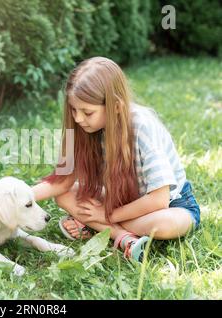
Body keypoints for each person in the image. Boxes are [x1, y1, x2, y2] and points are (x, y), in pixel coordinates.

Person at [31, 56, 201, 262]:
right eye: (74, 110)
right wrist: (15, 195)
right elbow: (62, 182)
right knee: (65, 195)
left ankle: (99, 227)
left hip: (170, 205)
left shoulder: (142, 126)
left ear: (116, 106)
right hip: (120, 199)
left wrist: (106, 216)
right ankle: (122, 237)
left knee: (165, 225)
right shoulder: (84, 129)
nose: (77, 118)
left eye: (87, 112)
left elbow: (159, 200)